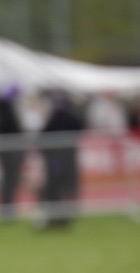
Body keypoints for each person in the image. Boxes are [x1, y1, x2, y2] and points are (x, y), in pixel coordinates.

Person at [37, 89, 84, 230]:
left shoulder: (55, 118)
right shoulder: (68, 117)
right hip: (62, 160)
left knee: (55, 188)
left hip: (56, 160)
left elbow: (43, 136)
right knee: (62, 188)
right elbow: (79, 127)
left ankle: (57, 216)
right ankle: (61, 217)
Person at [0, 83, 26, 220]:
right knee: (9, 179)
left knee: (9, 179)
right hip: (10, 150)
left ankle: (7, 208)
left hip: (9, 149)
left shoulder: (3, 109)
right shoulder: (6, 110)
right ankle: (7, 209)